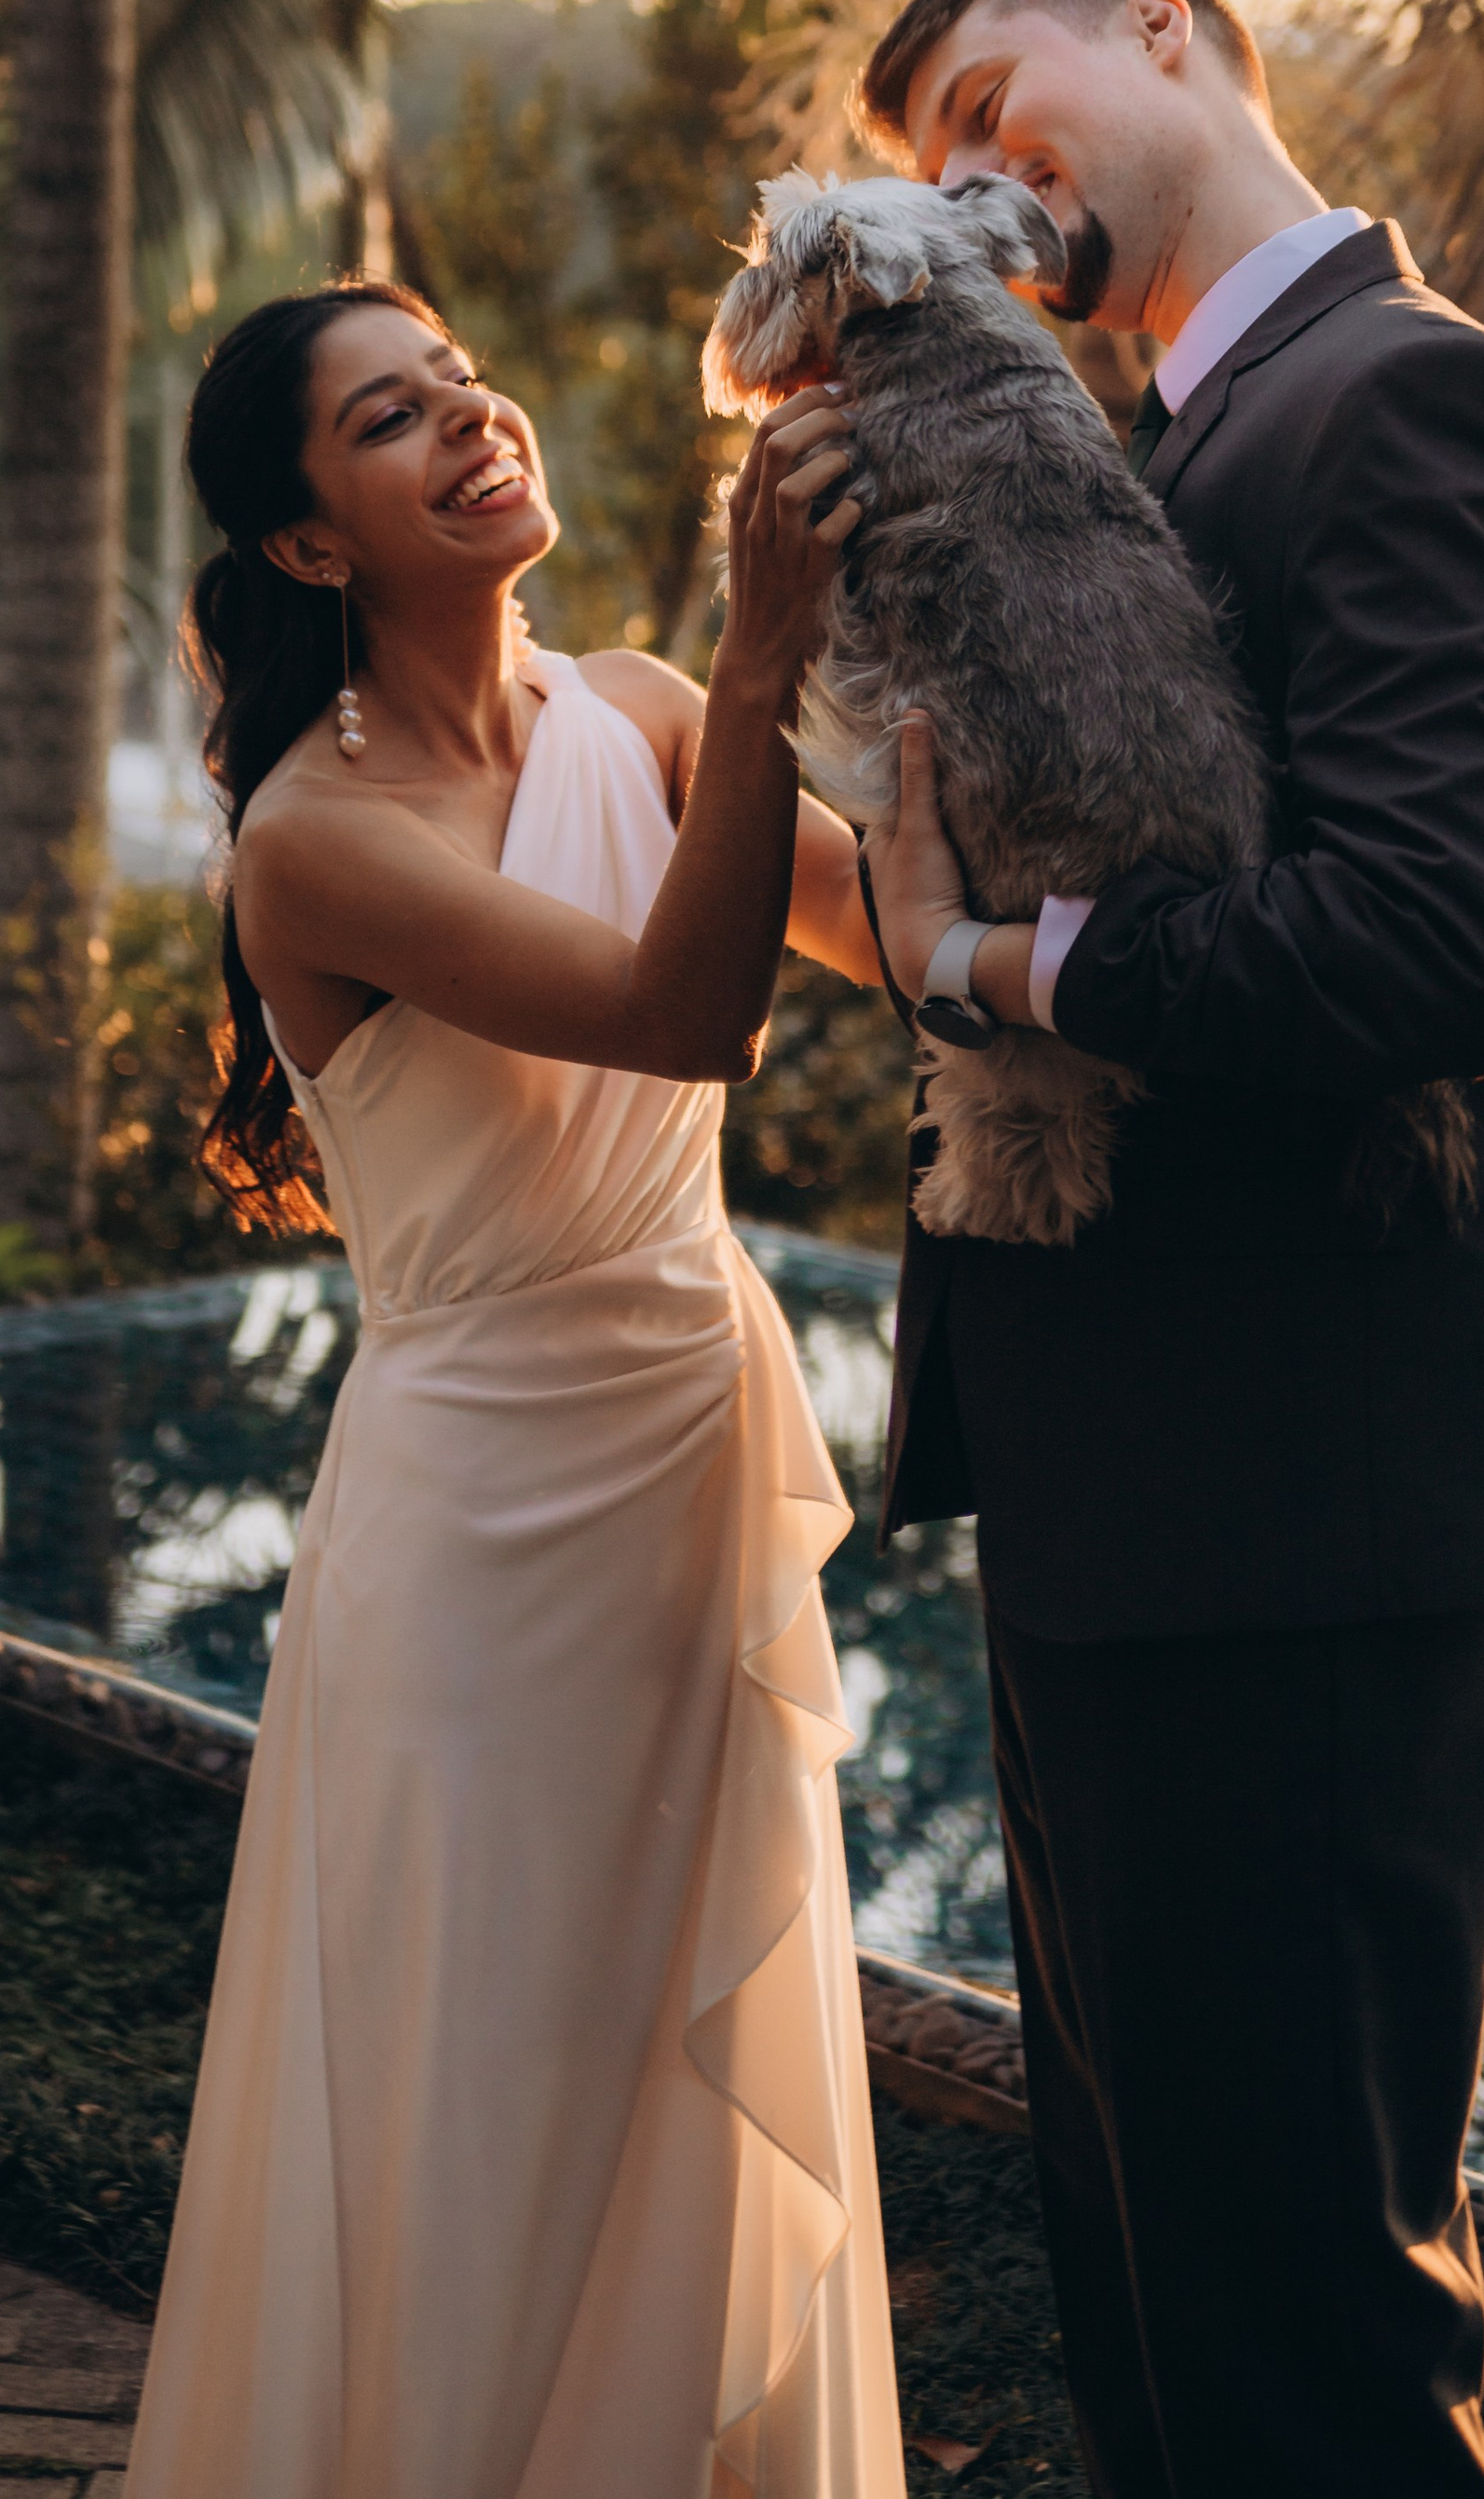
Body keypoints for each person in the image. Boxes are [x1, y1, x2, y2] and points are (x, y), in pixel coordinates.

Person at [855, 0, 1484, 2498]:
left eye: (992, 98)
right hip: (1152, 1516)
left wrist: (986, 958)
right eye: (926, 165)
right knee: (1167, 2302)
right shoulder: (1161, 449)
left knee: (1307, 2345)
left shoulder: (1398, 394)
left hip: (1305, 1519)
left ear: (1165, 31)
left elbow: (1449, 935)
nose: (970, 180)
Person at [124, 279, 905, 2499]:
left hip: (694, 1466)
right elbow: (688, 1011)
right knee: (491, 2093)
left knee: (693, 2090)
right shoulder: (313, 835)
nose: (471, 419)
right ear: (309, 544)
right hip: (478, 1539)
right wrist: (759, 664)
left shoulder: (642, 709)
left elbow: (915, 929)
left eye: (464, 375)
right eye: (393, 419)